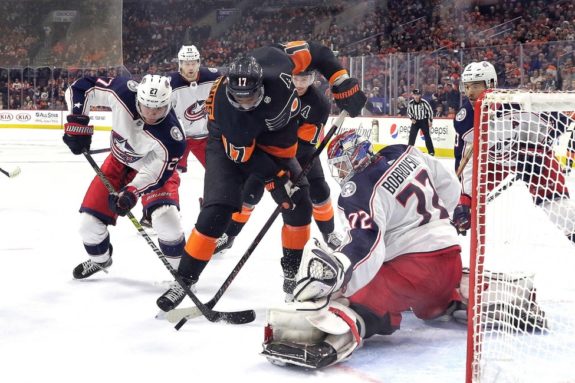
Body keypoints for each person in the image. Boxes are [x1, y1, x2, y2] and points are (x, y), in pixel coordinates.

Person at [156, 41, 367, 312]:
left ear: (261, 85)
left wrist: (342, 82)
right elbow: (246, 158)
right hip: (228, 147)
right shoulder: (230, 113)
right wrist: (277, 178)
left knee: (299, 204)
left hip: (275, 145)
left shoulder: (280, 62)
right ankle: (184, 278)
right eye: (238, 98)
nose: (244, 104)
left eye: (249, 97)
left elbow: (322, 54)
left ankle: (292, 275)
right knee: (217, 210)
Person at [261, 131, 464, 368]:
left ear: (354, 156)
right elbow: (450, 186)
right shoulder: (404, 151)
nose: (342, 173)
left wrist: (342, 283)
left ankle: (327, 343)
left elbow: (367, 244)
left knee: (352, 302)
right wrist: (435, 226)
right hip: (451, 257)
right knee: (431, 301)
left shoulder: (357, 190)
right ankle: (456, 298)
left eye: (341, 165)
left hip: (415, 274)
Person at [62, 74, 186, 279]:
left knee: (167, 222)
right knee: (87, 226)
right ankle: (100, 260)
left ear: (168, 103)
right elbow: (81, 88)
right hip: (117, 163)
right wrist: (78, 125)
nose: (152, 114)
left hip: (153, 172)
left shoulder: (173, 137)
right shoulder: (123, 91)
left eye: (159, 109)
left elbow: (156, 173)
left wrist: (131, 193)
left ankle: (182, 276)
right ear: (137, 97)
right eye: (146, 107)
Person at [213, 70, 343, 258]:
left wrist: (285, 167)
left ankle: (329, 233)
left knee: (320, 190)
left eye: (304, 78)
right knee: (249, 194)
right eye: (296, 78)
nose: (299, 83)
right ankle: (229, 234)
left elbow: (306, 143)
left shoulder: (319, 103)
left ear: (313, 78)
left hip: (301, 154)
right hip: (267, 152)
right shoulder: (273, 91)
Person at [452, 61, 575, 243]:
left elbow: (562, 120)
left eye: (476, 86)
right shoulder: (465, 119)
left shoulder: (521, 103)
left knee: (559, 209)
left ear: (491, 84)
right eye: (467, 86)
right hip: (495, 161)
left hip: (533, 158)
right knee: (458, 206)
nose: (470, 92)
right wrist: (464, 200)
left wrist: (535, 153)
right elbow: (467, 160)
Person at [139, 44, 221, 228]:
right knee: (166, 172)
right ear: (180, 64)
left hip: (205, 136)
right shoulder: (169, 84)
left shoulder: (213, 77)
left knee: (218, 174)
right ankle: (157, 209)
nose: (190, 67)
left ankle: (211, 210)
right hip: (178, 137)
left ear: (199, 62)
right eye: (186, 63)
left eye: (193, 62)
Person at [407, 88, 435, 156]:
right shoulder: (410, 103)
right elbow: (409, 112)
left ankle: (431, 151)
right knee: (412, 137)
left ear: (420, 95)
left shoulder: (424, 102)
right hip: (415, 122)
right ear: (413, 95)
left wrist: (430, 120)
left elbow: (430, 111)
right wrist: (411, 118)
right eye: (415, 95)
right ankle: (409, 151)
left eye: (418, 95)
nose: (417, 96)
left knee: (427, 136)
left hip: (423, 121)